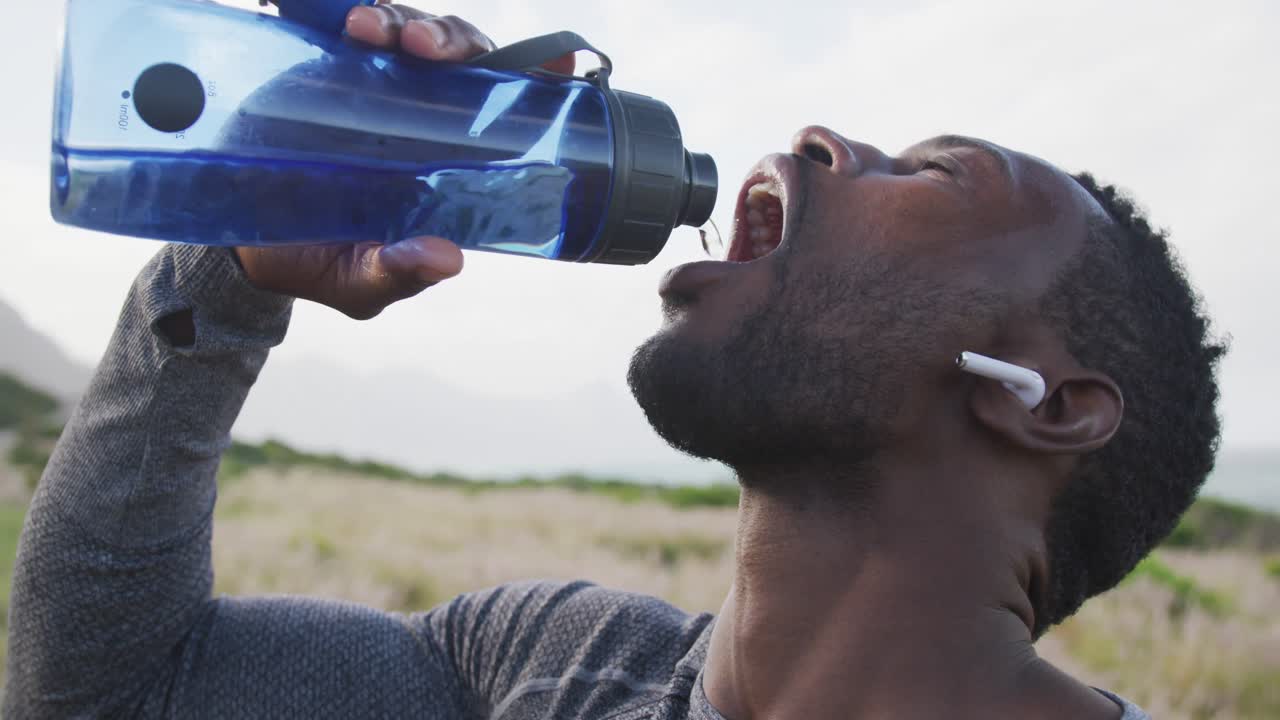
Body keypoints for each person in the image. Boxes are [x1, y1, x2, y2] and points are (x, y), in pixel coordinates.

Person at [5, 4, 1224, 719]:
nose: (818, 136)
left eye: (938, 174)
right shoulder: (549, 667)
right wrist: (237, 259)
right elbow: (109, 691)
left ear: (1048, 406)